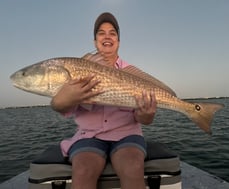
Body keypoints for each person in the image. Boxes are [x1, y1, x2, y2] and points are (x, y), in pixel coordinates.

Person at [51, 12, 157, 189]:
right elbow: (60, 106)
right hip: (89, 135)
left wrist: (146, 115)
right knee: (83, 169)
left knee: (133, 166)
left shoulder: (130, 72)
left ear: (119, 41)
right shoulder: (77, 68)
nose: (107, 36)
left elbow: (145, 120)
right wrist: (59, 101)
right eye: (101, 32)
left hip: (127, 134)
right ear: (94, 41)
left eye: (112, 33)